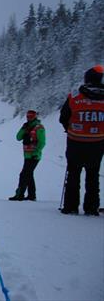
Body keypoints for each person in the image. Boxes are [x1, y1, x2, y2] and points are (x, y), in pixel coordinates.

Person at [59, 65, 104, 216]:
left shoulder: (75, 97)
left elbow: (63, 118)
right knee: (93, 176)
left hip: (75, 142)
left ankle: (70, 206)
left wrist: (70, 128)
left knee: (73, 174)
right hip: (97, 143)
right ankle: (91, 207)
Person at [9, 110, 46, 201]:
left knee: (24, 174)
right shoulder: (26, 126)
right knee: (29, 174)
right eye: (28, 116)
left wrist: (36, 153)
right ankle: (31, 195)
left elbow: (42, 142)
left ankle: (20, 194)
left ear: (35, 117)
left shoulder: (39, 127)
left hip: (34, 156)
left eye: (31, 117)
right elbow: (18, 137)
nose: (29, 118)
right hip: (27, 155)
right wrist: (23, 129)